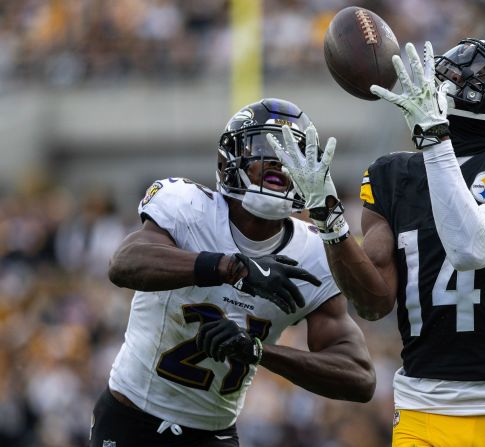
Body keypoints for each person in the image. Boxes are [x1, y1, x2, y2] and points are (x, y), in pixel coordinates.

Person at [270, 37, 485, 446]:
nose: (452, 76)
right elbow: (373, 302)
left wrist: (434, 139)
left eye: (478, 73)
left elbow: (473, 248)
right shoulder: (392, 175)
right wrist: (329, 221)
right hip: (422, 408)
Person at [90, 98, 376, 447]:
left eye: (291, 155)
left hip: (215, 432)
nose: (279, 164)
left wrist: (256, 351)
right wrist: (230, 268)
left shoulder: (313, 253)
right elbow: (124, 263)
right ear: (231, 158)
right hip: (131, 419)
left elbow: (360, 377)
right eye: (264, 149)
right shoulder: (190, 209)